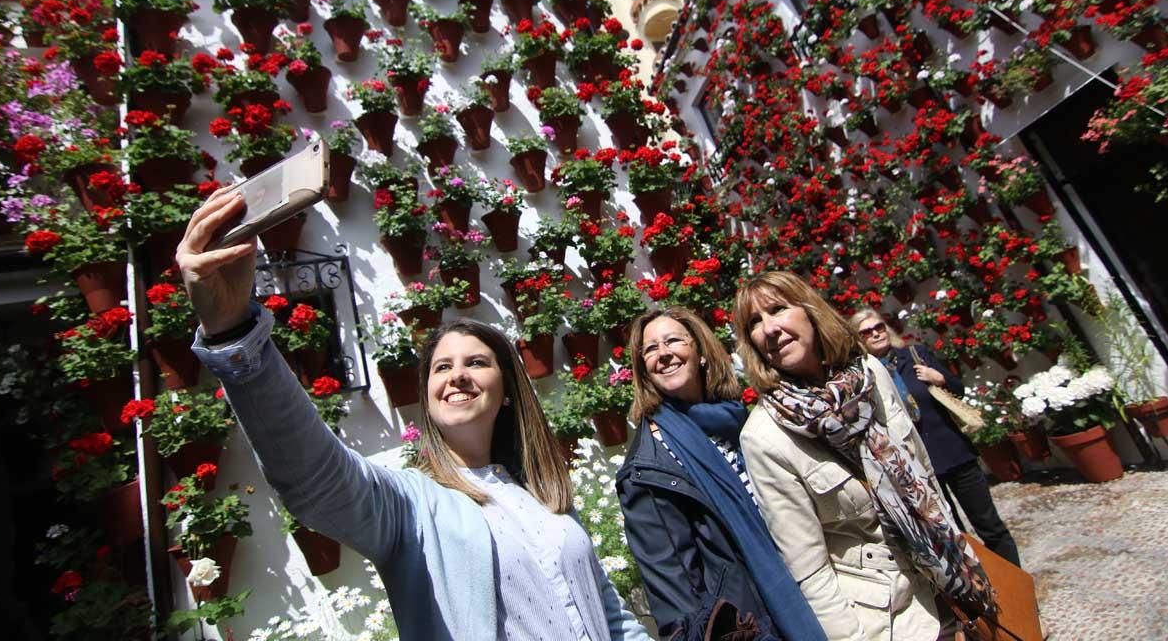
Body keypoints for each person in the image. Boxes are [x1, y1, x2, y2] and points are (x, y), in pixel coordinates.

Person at [178, 186, 651, 641]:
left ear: (507, 390)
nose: (458, 376)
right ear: (427, 398)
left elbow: (610, 613)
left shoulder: (545, 495)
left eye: (477, 363)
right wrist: (234, 332)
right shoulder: (407, 506)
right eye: (442, 367)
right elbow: (313, 477)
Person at [732, 271, 994, 641]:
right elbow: (809, 569)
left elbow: (927, 482)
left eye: (778, 309)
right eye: (754, 323)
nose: (770, 328)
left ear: (809, 311)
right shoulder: (764, 437)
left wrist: (964, 563)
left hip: (950, 579)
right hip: (888, 618)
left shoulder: (870, 373)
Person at [616, 307, 825, 641]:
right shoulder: (650, 468)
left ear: (699, 352)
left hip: (817, 587)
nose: (664, 354)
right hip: (756, 626)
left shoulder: (738, 421)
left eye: (673, 341)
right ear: (644, 370)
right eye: (651, 349)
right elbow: (675, 596)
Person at [849, 308, 1021, 567]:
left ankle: (1017, 588)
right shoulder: (864, 376)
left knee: (990, 526)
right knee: (952, 534)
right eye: (867, 332)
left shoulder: (916, 355)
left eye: (879, 327)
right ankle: (983, 589)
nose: (876, 334)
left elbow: (958, 389)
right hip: (917, 465)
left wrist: (939, 378)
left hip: (954, 452)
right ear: (859, 339)